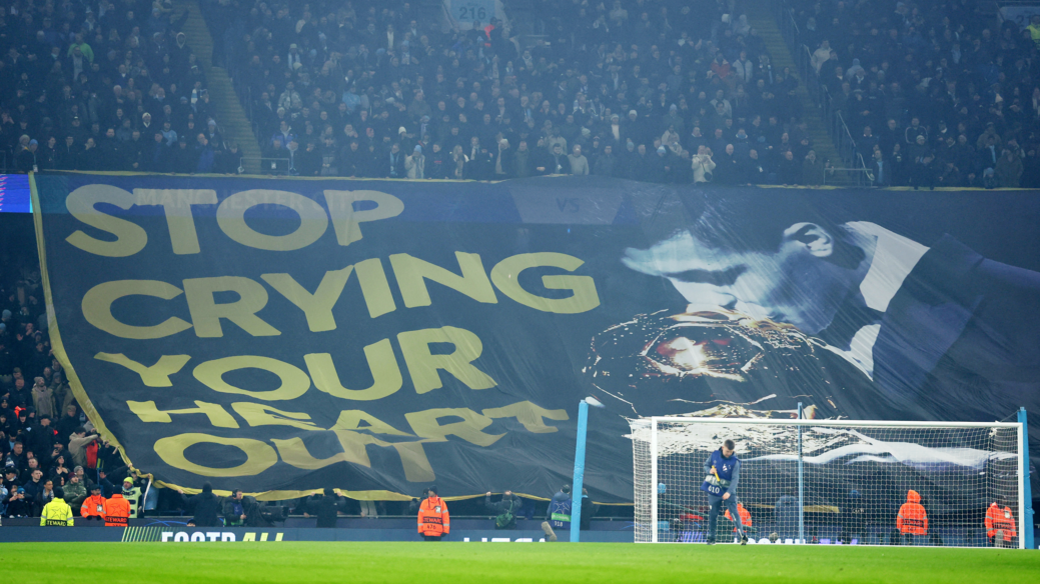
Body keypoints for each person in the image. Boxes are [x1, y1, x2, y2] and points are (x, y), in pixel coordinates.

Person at [620, 194, 1040, 433]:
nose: (726, 312)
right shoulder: (813, 348)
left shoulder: (1006, 305)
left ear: (813, 240)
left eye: (730, 279)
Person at [701, 439, 748, 545]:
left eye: (731, 452)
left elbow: (735, 478)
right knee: (713, 514)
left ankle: (742, 536)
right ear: (723, 448)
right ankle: (711, 538)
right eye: (727, 451)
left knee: (734, 513)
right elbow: (706, 465)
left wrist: (729, 492)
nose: (729, 454)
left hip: (728, 491)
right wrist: (709, 471)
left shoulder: (735, 461)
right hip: (714, 489)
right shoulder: (714, 455)